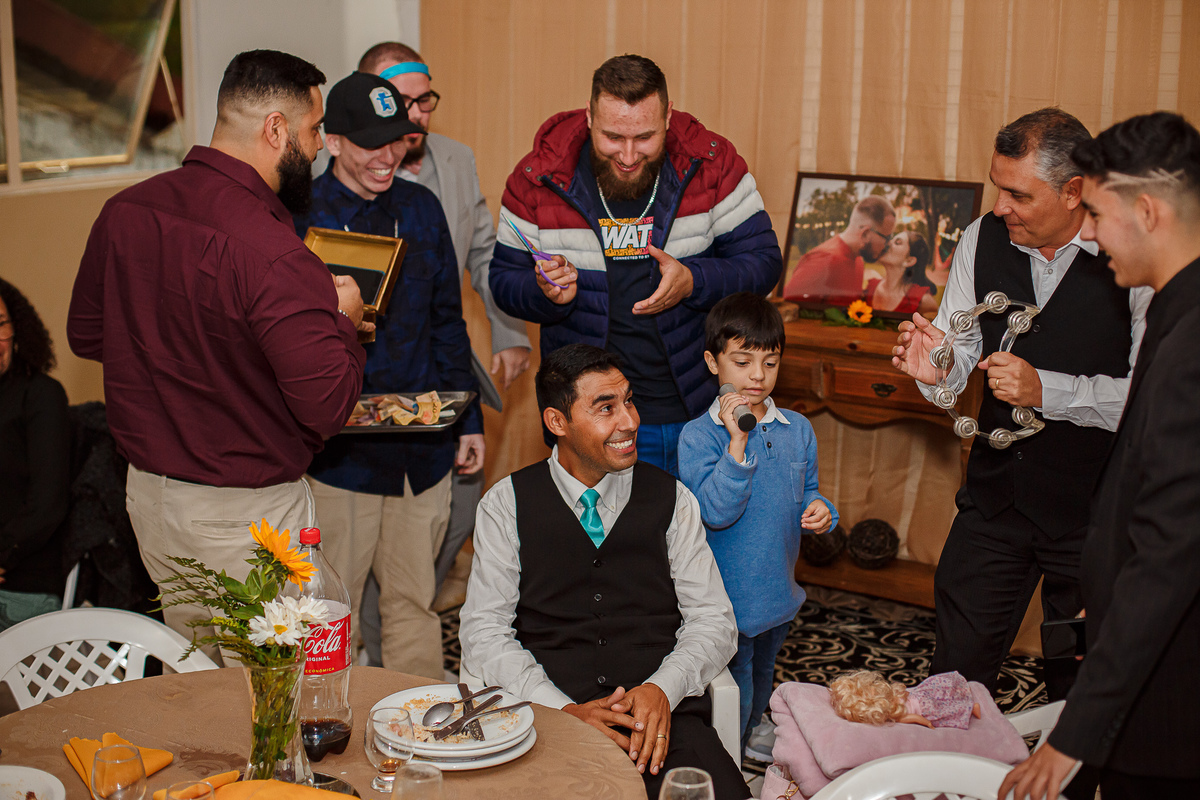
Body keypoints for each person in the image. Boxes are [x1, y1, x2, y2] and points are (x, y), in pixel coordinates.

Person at [68, 50, 369, 657]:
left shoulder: (126, 210)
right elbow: (326, 407)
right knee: (276, 682)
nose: (319, 147)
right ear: (276, 129)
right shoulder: (275, 254)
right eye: (314, 130)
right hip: (246, 513)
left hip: (151, 500)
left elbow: (89, 337)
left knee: (195, 675)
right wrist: (345, 320)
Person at [890, 108, 1152, 721]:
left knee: (1078, 682)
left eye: (1019, 195)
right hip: (995, 503)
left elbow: (1150, 399)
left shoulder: (1136, 257)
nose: (1000, 206)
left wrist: (1045, 391)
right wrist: (938, 373)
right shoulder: (981, 238)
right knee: (954, 676)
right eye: (997, 187)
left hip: (1093, 519)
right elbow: (962, 354)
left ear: (1075, 191)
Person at [1000, 112, 1200, 800]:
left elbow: (1172, 551)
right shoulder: (1176, 310)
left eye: (1097, 214)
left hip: (1169, 702)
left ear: (1147, 212)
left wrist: (1076, 733)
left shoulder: (1191, 345)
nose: (1087, 233)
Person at [459, 343, 748, 800]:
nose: (629, 421)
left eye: (629, 401)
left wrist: (662, 689)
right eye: (606, 408)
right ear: (557, 422)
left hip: (663, 718)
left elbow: (714, 620)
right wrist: (561, 709)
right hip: (544, 717)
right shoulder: (504, 504)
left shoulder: (673, 499)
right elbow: (484, 631)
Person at [489, 54, 781, 478]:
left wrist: (694, 280)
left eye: (645, 137)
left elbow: (764, 264)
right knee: (598, 524)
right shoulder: (538, 177)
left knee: (704, 521)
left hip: (699, 409)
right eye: (612, 137)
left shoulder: (711, 164)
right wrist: (545, 293)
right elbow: (502, 281)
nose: (627, 155)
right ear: (589, 117)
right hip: (591, 419)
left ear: (668, 117)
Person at [293, 71, 481, 680]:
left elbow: (447, 321)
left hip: (421, 451)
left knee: (414, 605)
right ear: (332, 142)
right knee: (330, 612)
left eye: (397, 139)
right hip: (339, 458)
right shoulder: (299, 216)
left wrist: (468, 420)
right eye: (371, 143)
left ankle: (417, 724)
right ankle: (326, 724)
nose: (388, 155)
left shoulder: (420, 208)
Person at [360, 41, 533, 591]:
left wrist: (508, 331)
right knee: (376, 520)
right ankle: (375, 628)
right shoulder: (340, 170)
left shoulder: (456, 158)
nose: (416, 116)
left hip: (444, 360)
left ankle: (417, 600)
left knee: (461, 501)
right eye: (400, 102)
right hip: (371, 374)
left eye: (425, 101)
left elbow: (483, 251)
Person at [676, 292, 836, 759]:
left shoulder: (797, 428)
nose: (758, 376)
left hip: (778, 591)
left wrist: (822, 508)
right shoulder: (698, 436)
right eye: (742, 362)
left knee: (765, 673)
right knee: (736, 681)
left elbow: (809, 489)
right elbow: (714, 511)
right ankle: (731, 754)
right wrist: (737, 444)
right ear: (713, 362)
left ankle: (749, 732)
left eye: (770, 362)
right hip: (726, 598)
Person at [0, 279, 70, 629]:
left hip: (22, 587)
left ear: (17, 330)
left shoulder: (42, 395)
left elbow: (47, 504)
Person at [782, 195, 897, 306]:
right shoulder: (822, 261)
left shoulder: (858, 261)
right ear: (865, 234)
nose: (888, 245)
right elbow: (786, 310)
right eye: (887, 238)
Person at [828, 670, 981, 729]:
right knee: (942, 697)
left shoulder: (896, 715)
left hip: (926, 709)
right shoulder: (895, 701)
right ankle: (966, 701)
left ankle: (969, 707)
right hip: (921, 697)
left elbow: (914, 718)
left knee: (946, 709)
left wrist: (928, 723)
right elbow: (906, 693)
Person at [864, 230, 938, 314]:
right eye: (891, 239)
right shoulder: (871, 287)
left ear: (909, 261)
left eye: (897, 242)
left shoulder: (923, 301)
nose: (888, 243)